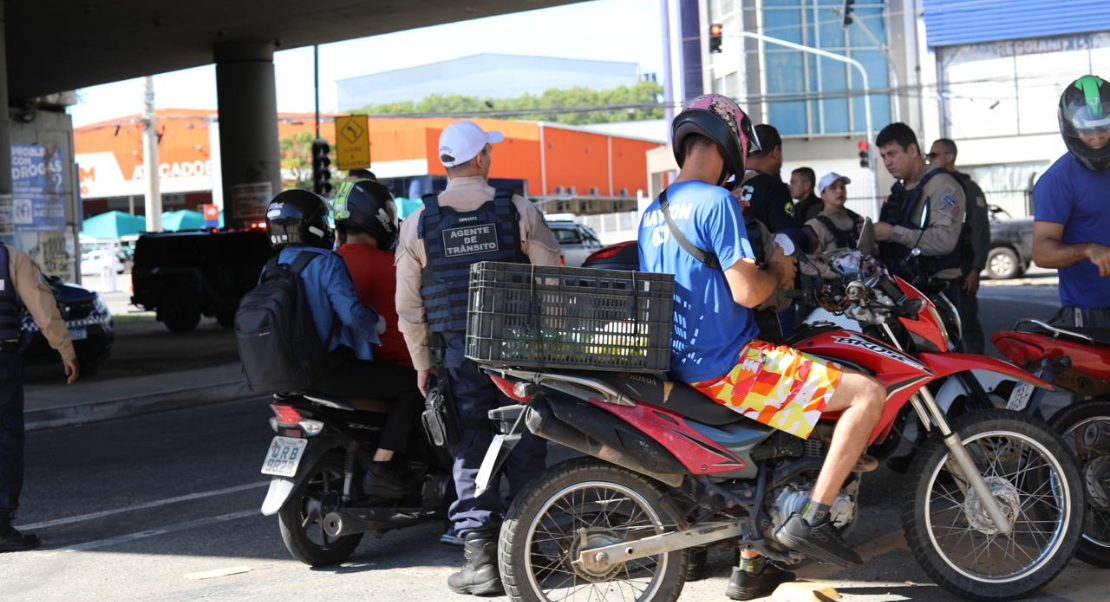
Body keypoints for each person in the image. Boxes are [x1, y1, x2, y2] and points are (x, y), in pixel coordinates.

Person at [638, 94, 886, 601]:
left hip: (681, 363)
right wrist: (780, 268)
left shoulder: (654, 211)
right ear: (728, 143)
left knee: (788, 429)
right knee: (866, 395)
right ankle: (812, 518)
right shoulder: (718, 203)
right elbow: (748, 291)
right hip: (731, 367)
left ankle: (755, 561)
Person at [395, 120, 560, 596]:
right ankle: (535, 550)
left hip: (458, 354)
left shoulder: (418, 223)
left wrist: (422, 362)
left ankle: (480, 562)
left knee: (472, 443)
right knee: (526, 438)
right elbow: (550, 282)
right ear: (483, 157)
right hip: (520, 350)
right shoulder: (518, 210)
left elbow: (409, 307)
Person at [331, 179, 428, 497]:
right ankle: (383, 466)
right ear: (381, 218)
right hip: (393, 367)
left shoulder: (328, 264)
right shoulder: (396, 265)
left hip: (343, 367)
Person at [0, 244, 80, 553]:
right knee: (5, 438)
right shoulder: (9, 257)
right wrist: (65, 349)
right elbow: (41, 303)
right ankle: (1, 525)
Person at [1032, 74, 1110, 327]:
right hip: (1093, 313)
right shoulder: (1057, 180)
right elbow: (1041, 253)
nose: (1097, 136)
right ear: (1069, 127)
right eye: (1087, 129)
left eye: (1104, 127)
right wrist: (1088, 249)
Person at [874, 123, 966, 313]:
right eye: (883, 156)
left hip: (937, 290)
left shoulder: (942, 185)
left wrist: (893, 233)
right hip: (904, 288)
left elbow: (944, 241)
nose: (887, 162)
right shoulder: (902, 189)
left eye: (892, 154)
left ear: (913, 150)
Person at [739, 124, 814, 338]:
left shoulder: (728, 186)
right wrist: (809, 237)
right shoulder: (773, 187)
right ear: (775, 152)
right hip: (773, 293)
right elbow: (787, 238)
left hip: (737, 291)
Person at [928, 138, 990, 353]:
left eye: (933, 155)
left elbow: (980, 230)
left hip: (963, 267)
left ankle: (978, 373)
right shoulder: (931, 185)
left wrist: (976, 269)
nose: (929, 159)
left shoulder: (967, 188)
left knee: (967, 323)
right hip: (937, 268)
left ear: (949, 157)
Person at [802, 172, 863, 281]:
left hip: (864, 284)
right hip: (835, 292)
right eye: (833, 188)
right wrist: (839, 273)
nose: (840, 191)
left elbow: (872, 251)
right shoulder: (815, 226)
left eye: (842, 187)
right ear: (822, 194)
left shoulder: (858, 220)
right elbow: (806, 264)